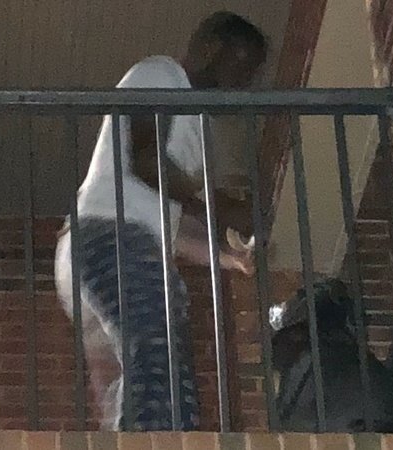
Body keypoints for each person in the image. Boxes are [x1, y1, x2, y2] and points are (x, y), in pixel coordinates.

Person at [54, 11, 268, 431]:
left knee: (129, 383)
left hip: (102, 250)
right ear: (210, 48)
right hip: (108, 237)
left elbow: (171, 220)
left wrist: (228, 257)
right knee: (160, 356)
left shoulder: (197, 128)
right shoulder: (163, 74)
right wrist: (221, 206)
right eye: (242, 64)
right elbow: (147, 161)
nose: (244, 81)